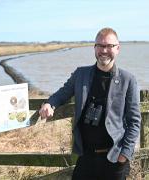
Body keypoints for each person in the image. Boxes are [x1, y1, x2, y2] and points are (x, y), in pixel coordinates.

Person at [39, 27, 141, 180]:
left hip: (114, 158)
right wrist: (49, 104)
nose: (104, 50)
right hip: (86, 157)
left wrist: (124, 155)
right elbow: (63, 93)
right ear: (94, 48)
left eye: (109, 46)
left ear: (118, 48)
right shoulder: (81, 74)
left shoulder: (128, 80)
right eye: (100, 45)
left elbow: (134, 121)